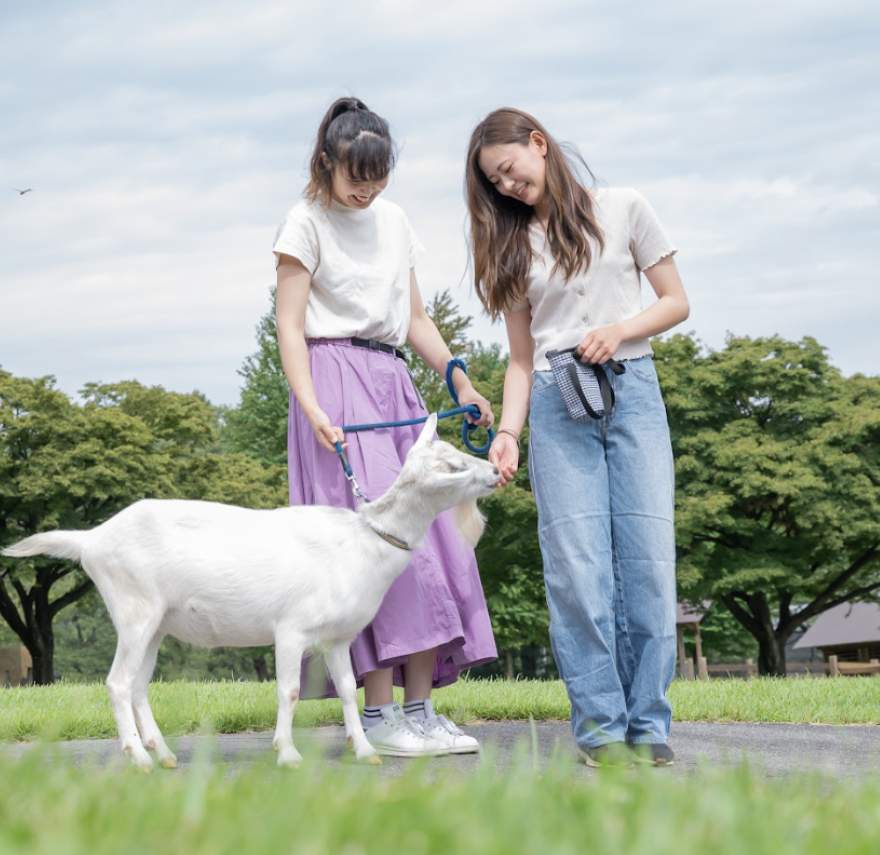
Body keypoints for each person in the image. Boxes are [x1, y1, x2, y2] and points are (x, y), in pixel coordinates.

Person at [273, 96, 498, 757]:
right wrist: (312, 405)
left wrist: (458, 377)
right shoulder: (303, 221)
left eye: (378, 176)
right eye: (355, 177)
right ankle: (375, 716)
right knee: (370, 550)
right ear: (326, 163)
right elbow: (289, 322)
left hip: (392, 377)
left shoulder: (394, 220)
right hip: (333, 383)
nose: (368, 190)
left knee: (430, 544)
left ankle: (421, 710)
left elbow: (415, 319)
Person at [465, 107, 690, 767]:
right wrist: (507, 433)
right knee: (579, 573)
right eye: (493, 184)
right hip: (557, 405)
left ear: (538, 143)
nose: (506, 187)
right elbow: (519, 357)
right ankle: (600, 730)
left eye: (508, 170)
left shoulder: (624, 208)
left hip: (634, 391)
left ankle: (648, 725)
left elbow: (676, 301)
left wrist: (621, 330)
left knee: (648, 563)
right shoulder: (510, 246)